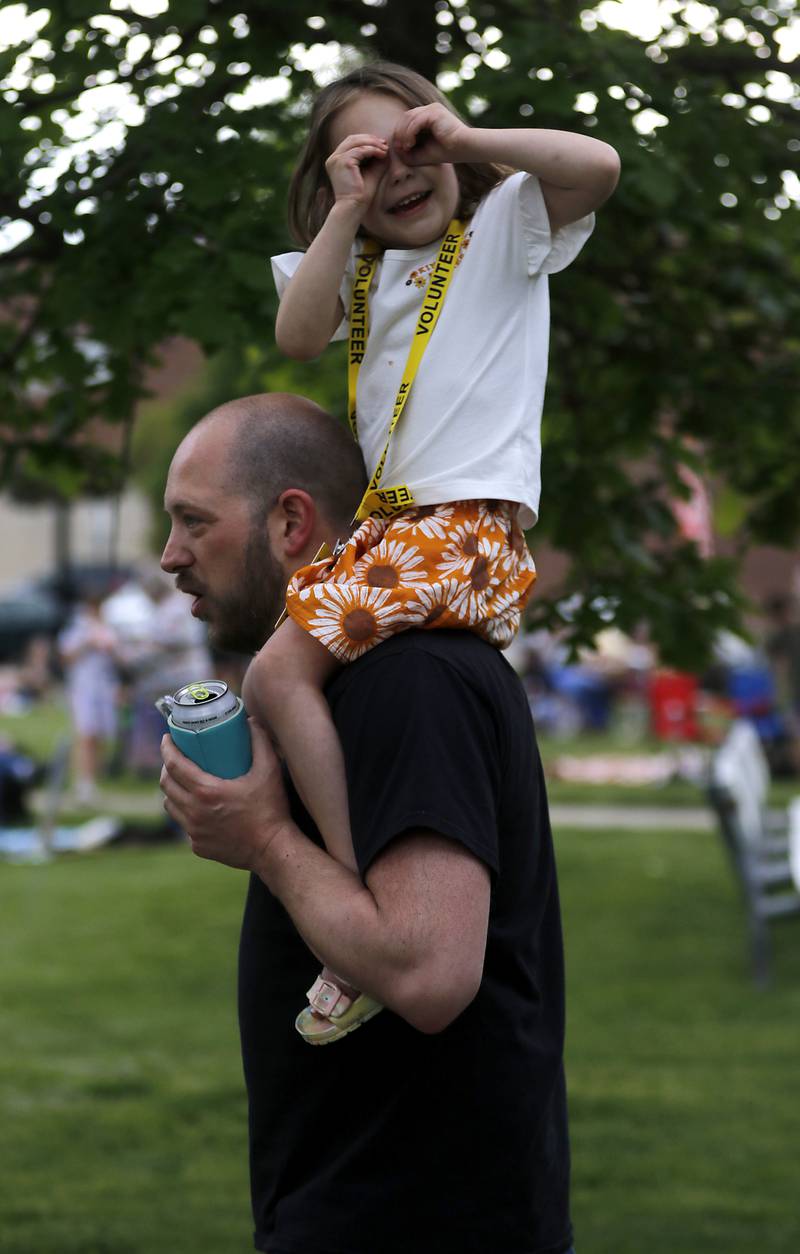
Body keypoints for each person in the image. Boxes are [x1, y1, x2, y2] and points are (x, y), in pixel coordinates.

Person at [243, 61, 619, 1041]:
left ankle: (352, 894)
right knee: (304, 688)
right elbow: (295, 334)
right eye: (371, 160)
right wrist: (342, 210)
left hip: (457, 527)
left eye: (412, 145)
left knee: (277, 679)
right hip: (398, 531)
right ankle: (362, 885)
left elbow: (597, 164)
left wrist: (463, 139)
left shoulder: (500, 235)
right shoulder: (358, 269)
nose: (400, 171)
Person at [159, 393, 576, 1254]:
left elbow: (426, 973)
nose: (171, 557)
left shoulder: (409, 678)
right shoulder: (362, 674)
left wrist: (266, 840)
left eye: (194, 523)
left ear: (291, 523)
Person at [57, 591, 121, 807]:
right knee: (86, 734)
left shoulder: (107, 628)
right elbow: (66, 657)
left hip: (104, 687)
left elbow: (118, 658)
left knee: (100, 735)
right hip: (83, 687)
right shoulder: (78, 628)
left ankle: (93, 779)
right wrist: (87, 643)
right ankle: (82, 783)